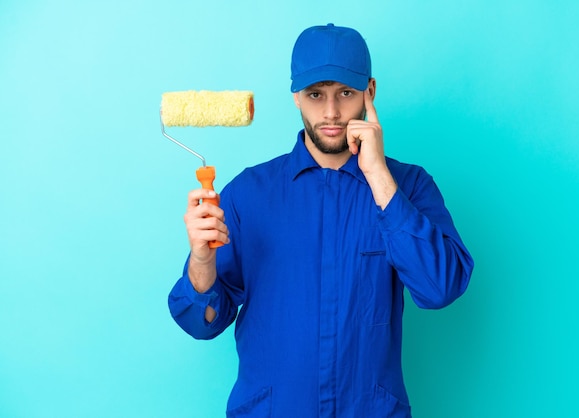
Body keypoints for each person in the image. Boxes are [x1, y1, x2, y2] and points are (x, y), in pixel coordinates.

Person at [168, 23, 474, 418]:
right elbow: (203, 322)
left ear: (370, 91)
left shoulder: (409, 186)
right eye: (316, 95)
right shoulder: (248, 193)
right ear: (297, 96)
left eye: (345, 93)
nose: (331, 113)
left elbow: (441, 289)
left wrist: (379, 177)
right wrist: (202, 262)